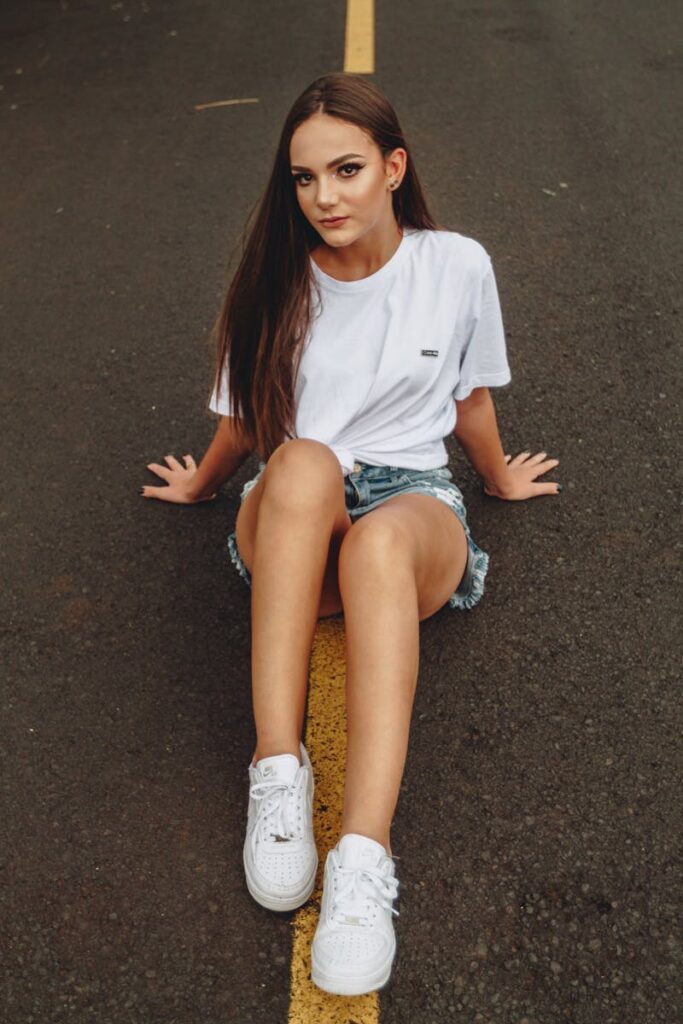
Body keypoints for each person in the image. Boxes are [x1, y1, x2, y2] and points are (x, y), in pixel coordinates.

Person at [140, 72, 560, 997]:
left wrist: (493, 478)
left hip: (408, 515)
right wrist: (204, 484)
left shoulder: (456, 265)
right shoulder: (270, 282)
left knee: (376, 545)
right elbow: (248, 421)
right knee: (303, 461)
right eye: (303, 178)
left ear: (392, 168)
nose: (324, 196)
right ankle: (276, 770)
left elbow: (470, 395)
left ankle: (362, 861)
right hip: (295, 523)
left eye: (345, 169)